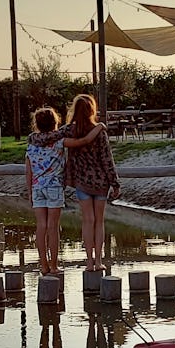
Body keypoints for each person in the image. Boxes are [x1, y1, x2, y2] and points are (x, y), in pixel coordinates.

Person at [25, 107, 103, 275]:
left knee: (41, 226)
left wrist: (30, 191)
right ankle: (54, 266)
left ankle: (43, 265)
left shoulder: (31, 144)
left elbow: (29, 170)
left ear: (36, 124)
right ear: (55, 123)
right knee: (53, 227)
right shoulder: (60, 142)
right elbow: (84, 141)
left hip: (37, 187)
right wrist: (99, 127)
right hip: (54, 187)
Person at [59, 94, 121, 272]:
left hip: (81, 181)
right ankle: (99, 261)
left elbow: (51, 136)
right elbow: (107, 158)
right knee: (99, 221)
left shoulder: (70, 130)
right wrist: (115, 183)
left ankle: (88, 262)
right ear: (92, 110)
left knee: (87, 220)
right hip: (101, 182)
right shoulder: (99, 132)